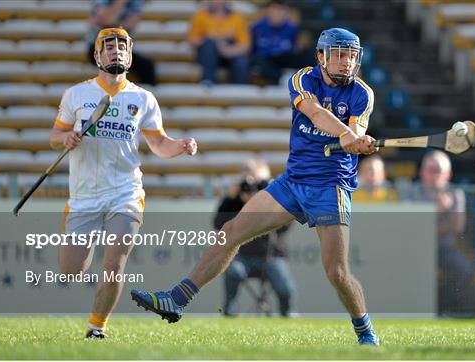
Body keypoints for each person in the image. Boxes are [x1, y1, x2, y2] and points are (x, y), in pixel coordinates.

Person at [131, 28, 380, 346]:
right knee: (231, 231)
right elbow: (314, 112)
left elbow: (357, 130)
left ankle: (365, 332)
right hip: (293, 182)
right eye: (339, 55)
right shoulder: (302, 79)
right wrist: (345, 133)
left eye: (351, 56)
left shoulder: (362, 93)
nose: (346, 62)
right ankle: (176, 299)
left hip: (330, 187)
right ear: (321, 57)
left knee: (336, 272)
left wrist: (357, 140)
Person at [52, 28, 197, 339]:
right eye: (108, 47)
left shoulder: (144, 98)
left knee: (114, 263)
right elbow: (55, 137)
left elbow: (159, 144)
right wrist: (66, 137)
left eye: (121, 47)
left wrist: (180, 146)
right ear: (97, 55)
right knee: (71, 269)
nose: (115, 52)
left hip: (126, 192)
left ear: (130, 55)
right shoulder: (76, 95)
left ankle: (96, 328)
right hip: (84, 196)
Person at [215, 160, 296, 317]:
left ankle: (288, 313)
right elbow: (218, 224)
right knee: (232, 271)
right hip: (241, 256)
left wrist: (271, 201)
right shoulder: (234, 202)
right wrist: (230, 200)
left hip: (272, 255)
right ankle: (229, 312)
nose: (255, 189)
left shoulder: (276, 201)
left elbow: (284, 227)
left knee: (285, 287)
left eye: (262, 184)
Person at [407, 151, 473, 314]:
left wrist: (431, 224)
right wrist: (441, 211)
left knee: (463, 270)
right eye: (431, 170)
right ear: (422, 172)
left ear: (448, 174)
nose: (435, 175)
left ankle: (440, 309)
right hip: (415, 250)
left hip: (444, 249)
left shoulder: (456, 194)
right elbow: (412, 228)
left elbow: (458, 228)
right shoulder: (411, 192)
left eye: (439, 170)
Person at [87, 0, 157, 86]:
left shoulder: (134, 2)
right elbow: (106, 19)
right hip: (99, 48)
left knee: (147, 68)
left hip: (121, 48)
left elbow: (131, 23)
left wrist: (109, 24)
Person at [188, 0, 250, 85]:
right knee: (210, 44)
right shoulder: (201, 15)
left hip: (228, 54)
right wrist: (212, 40)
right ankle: (208, 81)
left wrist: (227, 51)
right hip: (207, 55)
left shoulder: (237, 17)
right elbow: (192, 40)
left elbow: (245, 45)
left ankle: (241, 89)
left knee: (241, 62)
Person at [251, 0, 313, 84]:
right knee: (260, 63)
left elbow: (296, 47)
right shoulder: (257, 27)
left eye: (279, 11)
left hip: (284, 57)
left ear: (285, 12)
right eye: (273, 11)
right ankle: (282, 79)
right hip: (266, 58)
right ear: (268, 12)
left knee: (310, 57)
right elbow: (251, 48)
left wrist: (299, 48)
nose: (276, 14)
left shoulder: (292, 28)